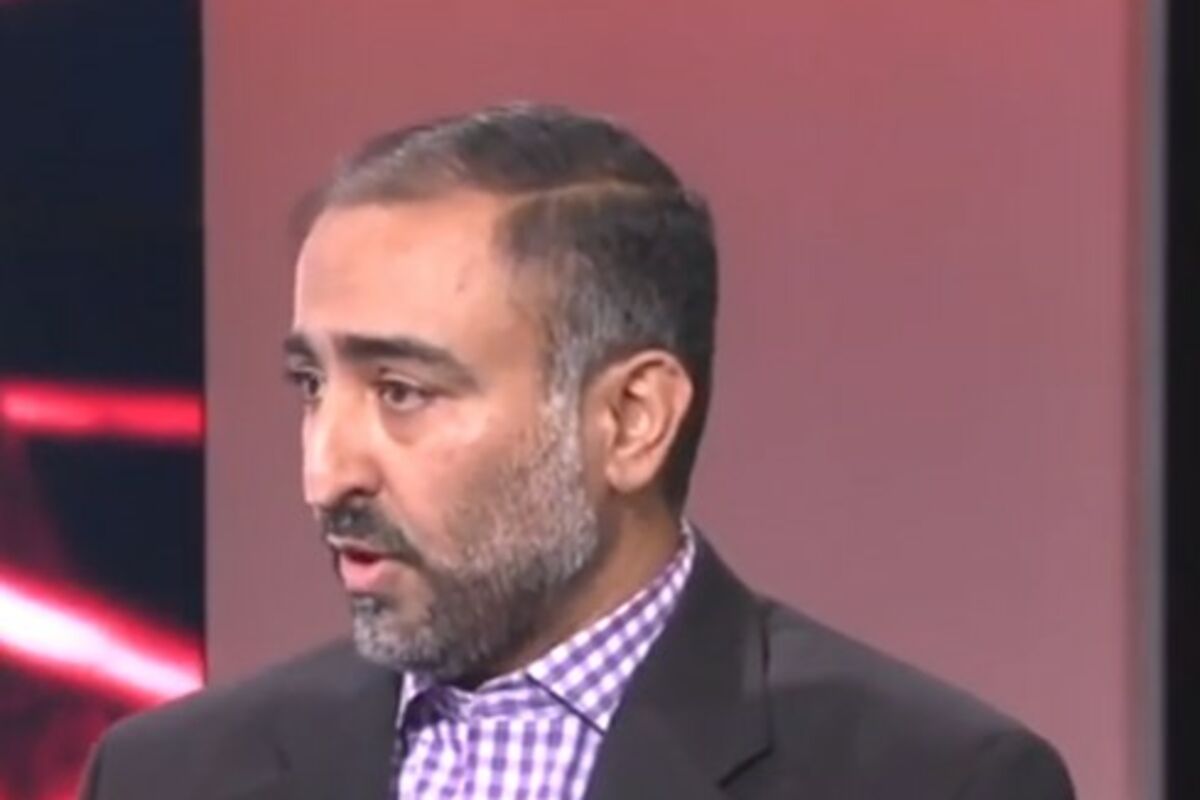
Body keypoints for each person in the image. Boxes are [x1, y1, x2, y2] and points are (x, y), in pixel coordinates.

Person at [80, 103, 1074, 800]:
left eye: (402, 392)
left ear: (631, 420)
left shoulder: (931, 779)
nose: (325, 472)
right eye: (312, 385)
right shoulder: (166, 777)